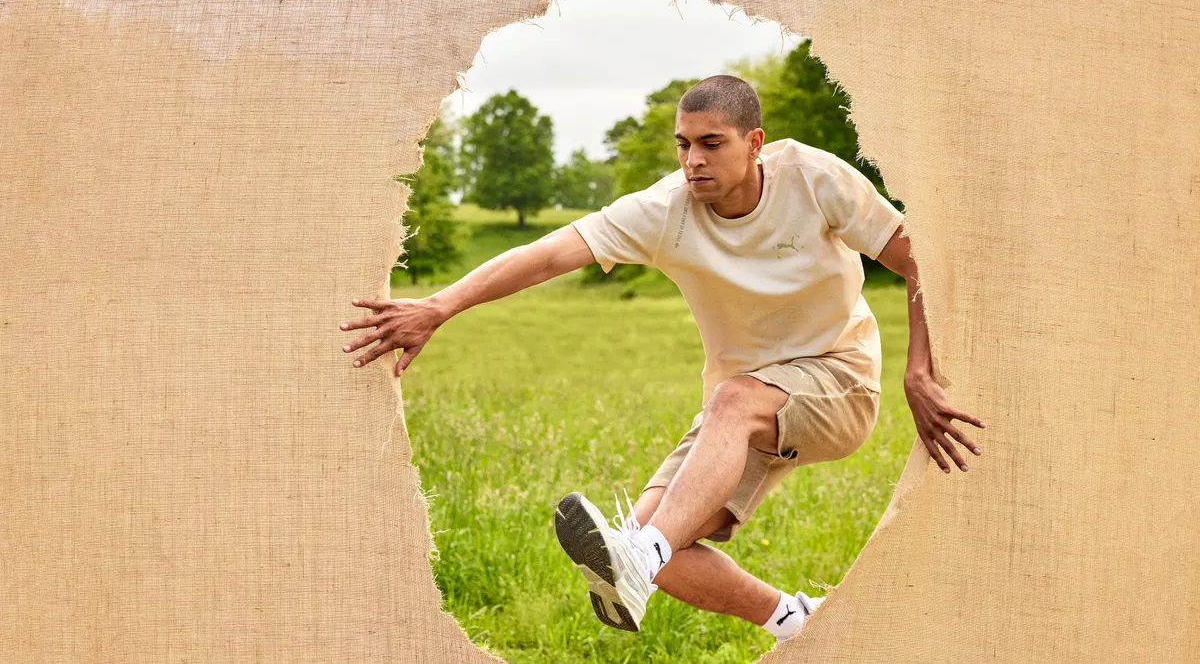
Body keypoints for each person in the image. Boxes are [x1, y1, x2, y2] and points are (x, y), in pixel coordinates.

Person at [338, 74, 986, 644]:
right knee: (661, 541)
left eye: (711, 143)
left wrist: (918, 371)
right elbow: (551, 251)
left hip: (839, 382)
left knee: (673, 497)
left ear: (754, 143)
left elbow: (920, 255)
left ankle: (636, 561)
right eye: (683, 144)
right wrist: (440, 305)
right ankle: (796, 619)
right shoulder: (666, 209)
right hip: (750, 404)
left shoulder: (814, 179)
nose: (692, 160)